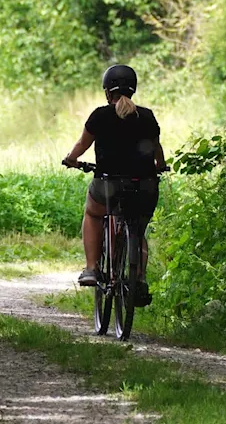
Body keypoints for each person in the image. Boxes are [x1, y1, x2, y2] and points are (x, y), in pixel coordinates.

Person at [62, 64, 165, 306]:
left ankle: (91, 268)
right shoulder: (147, 116)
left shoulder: (100, 116)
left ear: (107, 92)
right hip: (145, 186)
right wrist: (160, 165)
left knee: (93, 212)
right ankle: (138, 279)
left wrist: (71, 160)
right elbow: (157, 150)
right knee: (137, 229)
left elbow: (82, 145)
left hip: (109, 185)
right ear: (133, 90)